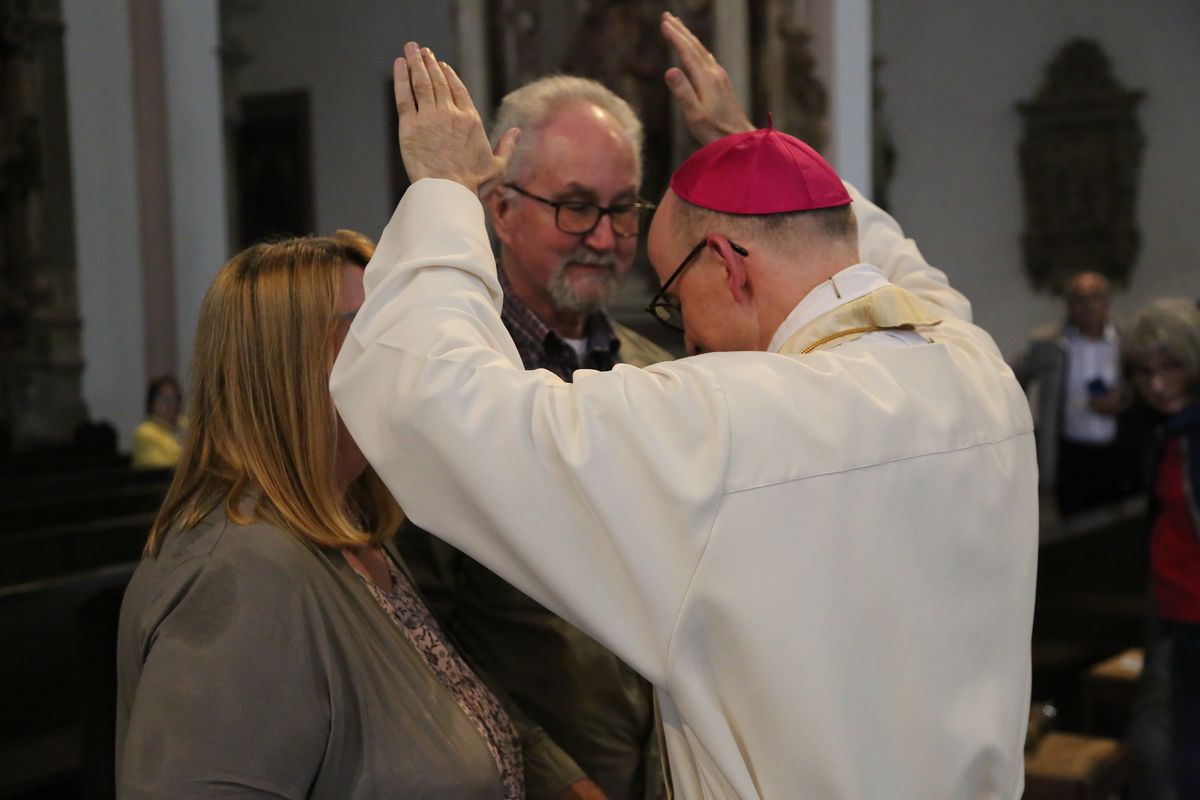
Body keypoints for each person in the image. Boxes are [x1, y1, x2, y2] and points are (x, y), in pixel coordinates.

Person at [333, 22, 1036, 800]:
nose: (686, 332)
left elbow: (431, 402)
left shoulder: (728, 420)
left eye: (674, 294)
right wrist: (751, 149)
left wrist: (439, 188)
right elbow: (893, 266)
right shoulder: (977, 370)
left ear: (730, 267)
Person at [116, 230, 523, 799]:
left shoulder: (349, 530)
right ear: (286, 367)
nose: (406, 359)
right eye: (374, 334)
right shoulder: (240, 576)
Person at [397, 74, 670, 800]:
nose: (607, 239)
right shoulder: (455, 384)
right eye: (577, 208)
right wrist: (554, 776)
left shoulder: (665, 377)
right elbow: (419, 630)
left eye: (622, 210)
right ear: (500, 208)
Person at [1123, 298, 1200, 798]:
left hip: (1194, 613)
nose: (1157, 383)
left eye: (1169, 368)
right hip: (1171, 608)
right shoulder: (1162, 429)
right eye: (1146, 371)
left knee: (1169, 755)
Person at [1011, 271, 1137, 515]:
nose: (1089, 306)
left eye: (1096, 297)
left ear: (1108, 302)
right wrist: (1020, 421)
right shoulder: (1049, 343)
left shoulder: (1127, 340)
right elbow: (1013, 375)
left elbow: (1141, 385)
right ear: (1069, 305)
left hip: (1117, 450)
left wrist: (1122, 400)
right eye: (1080, 299)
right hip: (1070, 454)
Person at [131, 374, 185, 469]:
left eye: (173, 398)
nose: (168, 403)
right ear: (151, 402)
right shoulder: (144, 433)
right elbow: (163, 469)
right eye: (162, 398)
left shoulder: (185, 423)